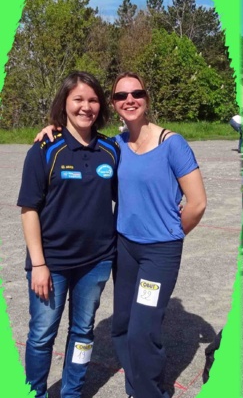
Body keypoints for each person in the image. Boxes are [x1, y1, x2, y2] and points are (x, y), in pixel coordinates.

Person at [19, 72, 118, 398]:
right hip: (52, 264)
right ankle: (35, 392)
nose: (86, 106)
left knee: (83, 332)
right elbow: (29, 210)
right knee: (42, 333)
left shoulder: (111, 150)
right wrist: (39, 265)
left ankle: (72, 392)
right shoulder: (45, 149)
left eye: (92, 100)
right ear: (64, 103)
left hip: (96, 262)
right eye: (78, 99)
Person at [109, 72, 207, 398]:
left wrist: (170, 235)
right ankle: (138, 388)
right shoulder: (115, 146)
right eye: (121, 96)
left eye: (136, 93)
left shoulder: (172, 144)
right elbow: (76, 147)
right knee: (121, 326)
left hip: (158, 254)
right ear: (114, 105)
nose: (129, 100)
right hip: (124, 249)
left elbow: (197, 203)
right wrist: (52, 130)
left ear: (147, 99)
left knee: (141, 331)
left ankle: (151, 393)